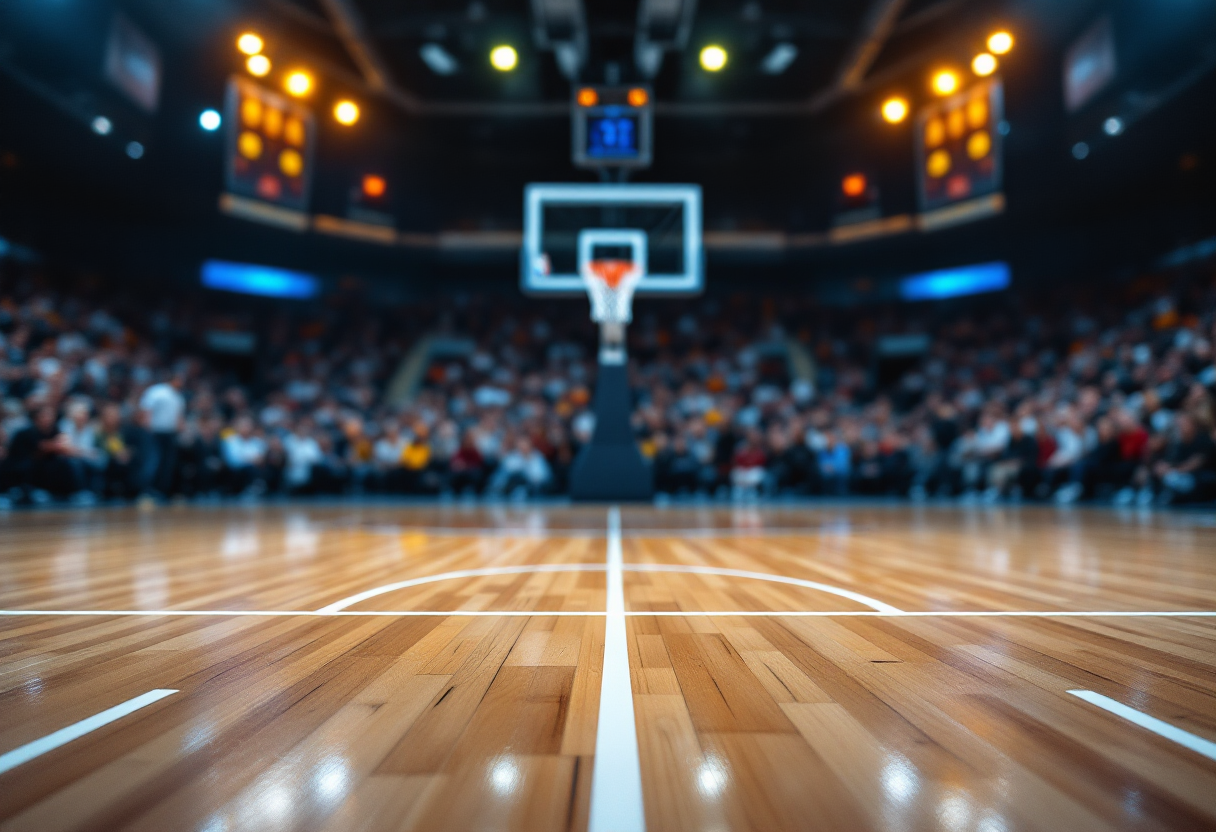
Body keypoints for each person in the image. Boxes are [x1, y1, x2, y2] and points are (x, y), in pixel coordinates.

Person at [6, 405, 88, 501]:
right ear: (36, 418)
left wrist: (58, 445)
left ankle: (72, 493)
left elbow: (62, 445)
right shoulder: (26, 432)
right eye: (45, 415)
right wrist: (56, 445)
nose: (49, 418)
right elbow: (42, 447)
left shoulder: (54, 430)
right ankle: (30, 492)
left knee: (68, 463)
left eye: (51, 415)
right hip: (23, 463)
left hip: (46, 462)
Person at [139, 372, 185, 498]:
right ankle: (146, 490)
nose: (182, 383)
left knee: (167, 464)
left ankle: (161, 491)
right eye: (179, 379)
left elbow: (178, 417)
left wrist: (181, 429)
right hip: (155, 432)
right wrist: (147, 426)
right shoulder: (157, 391)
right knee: (153, 461)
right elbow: (146, 409)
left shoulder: (178, 396)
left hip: (170, 434)